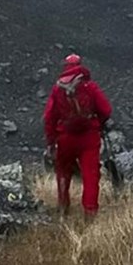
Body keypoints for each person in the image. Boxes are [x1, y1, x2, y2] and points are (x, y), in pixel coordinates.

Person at [43, 62, 112, 217]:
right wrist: (98, 124)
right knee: (90, 175)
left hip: (65, 137)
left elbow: (49, 117)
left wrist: (51, 141)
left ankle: (63, 208)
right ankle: (90, 212)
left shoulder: (57, 89)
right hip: (89, 137)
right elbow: (106, 110)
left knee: (63, 172)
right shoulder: (89, 87)